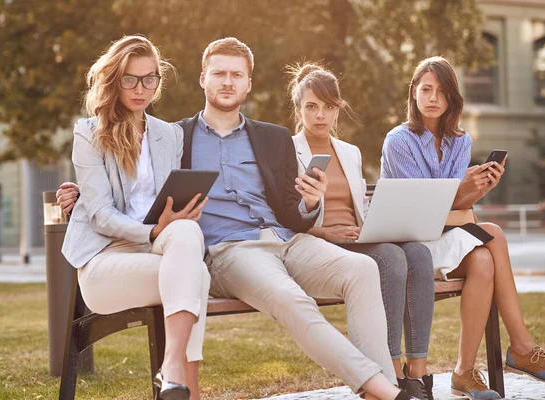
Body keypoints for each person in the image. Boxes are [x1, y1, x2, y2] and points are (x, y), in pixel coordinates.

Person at [59, 37, 415, 400]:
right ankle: (388, 391)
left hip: (289, 240)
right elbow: (136, 178)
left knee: (362, 270)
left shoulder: (274, 138)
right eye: (219, 74)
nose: (227, 82)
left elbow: (294, 212)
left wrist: (311, 202)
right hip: (232, 251)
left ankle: (379, 390)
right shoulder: (177, 137)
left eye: (236, 75)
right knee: (292, 299)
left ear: (249, 83)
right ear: (203, 79)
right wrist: (80, 194)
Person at [380, 56, 545, 400]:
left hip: (443, 236)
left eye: (441, 91)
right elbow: (421, 214)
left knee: (485, 261)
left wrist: (477, 189)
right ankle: (521, 348)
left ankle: (465, 372)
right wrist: (462, 191)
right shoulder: (399, 141)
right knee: (495, 234)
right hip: (409, 246)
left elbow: (457, 211)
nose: (433, 98)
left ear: (452, 99)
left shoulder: (460, 142)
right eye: (426, 89)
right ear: (413, 93)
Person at [60, 35, 210, 400]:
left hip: (156, 253)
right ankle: (184, 382)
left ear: (159, 82)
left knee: (188, 232)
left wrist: (180, 216)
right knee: (196, 274)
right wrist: (155, 229)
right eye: (130, 79)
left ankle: (171, 369)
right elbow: (100, 214)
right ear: (114, 79)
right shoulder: (89, 132)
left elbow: (166, 207)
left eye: (150, 79)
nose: (140, 88)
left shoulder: (169, 135)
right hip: (105, 262)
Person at [287, 62, 435, 400]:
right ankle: (391, 370)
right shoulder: (288, 151)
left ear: (338, 110)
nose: (320, 115)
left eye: (328, 107)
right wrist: (324, 233)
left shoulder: (349, 152)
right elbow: (285, 216)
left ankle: (419, 370)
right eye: (311, 107)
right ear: (298, 109)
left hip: (358, 236)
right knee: (392, 258)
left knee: (419, 253)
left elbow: (360, 207)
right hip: (320, 243)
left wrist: (378, 225)